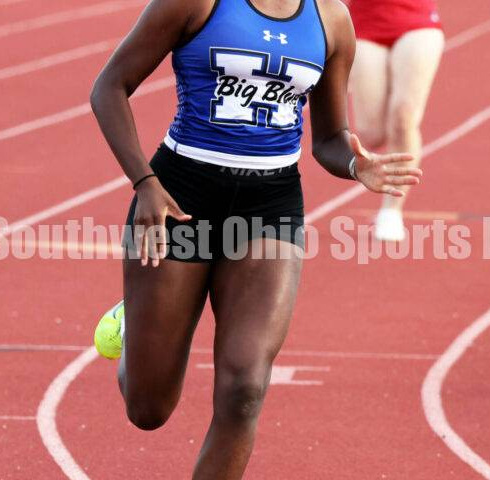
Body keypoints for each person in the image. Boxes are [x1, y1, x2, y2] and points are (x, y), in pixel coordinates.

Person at [89, 0, 422, 475]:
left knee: (245, 387)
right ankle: (133, 321)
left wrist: (355, 164)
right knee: (148, 410)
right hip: (181, 197)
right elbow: (109, 87)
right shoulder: (196, 3)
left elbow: (329, 136)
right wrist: (145, 184)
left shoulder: (332, 19)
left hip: (271, 206)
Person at [348, 0, 443, 240]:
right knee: (371, 133)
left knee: (403, 118)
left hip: (417, 22)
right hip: (365, 23)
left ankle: (391, 210)